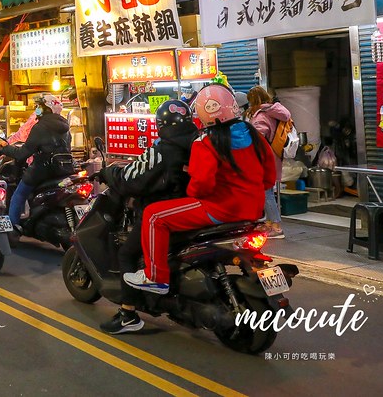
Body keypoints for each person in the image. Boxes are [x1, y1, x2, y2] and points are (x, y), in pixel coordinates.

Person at [123, 84, 274, 295]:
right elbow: (270, 177)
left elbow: (201, 185)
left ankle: (155, 276)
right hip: (255, 209)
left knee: (153, 215)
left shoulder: (206, 141)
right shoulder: (254, 135)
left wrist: (193, 194)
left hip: (220, 208)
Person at [99, 99, 199, 334]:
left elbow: (132, 178)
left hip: (163, 212)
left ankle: (128, 313)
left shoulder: (164, 149)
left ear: (161, 124)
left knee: (127, 253)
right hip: (193, 209)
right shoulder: (199, 144)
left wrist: (109, 172)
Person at [0, 95, 73, 232]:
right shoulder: (65, 128)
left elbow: (23, 153)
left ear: (47, 109)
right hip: (63, 169)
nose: (37, 109)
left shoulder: (40, 127)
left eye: (40, 107)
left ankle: (12, 229)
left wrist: (5, 149)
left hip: (42, 170)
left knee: (18, 195)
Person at [246, 86, 292, 239]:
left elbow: (258, 137)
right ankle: (270, 222)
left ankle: (277, 226)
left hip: (264, 159)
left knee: (266, 192)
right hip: (273, 156)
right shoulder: (273, 110)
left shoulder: (261, 116)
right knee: (267, 191)